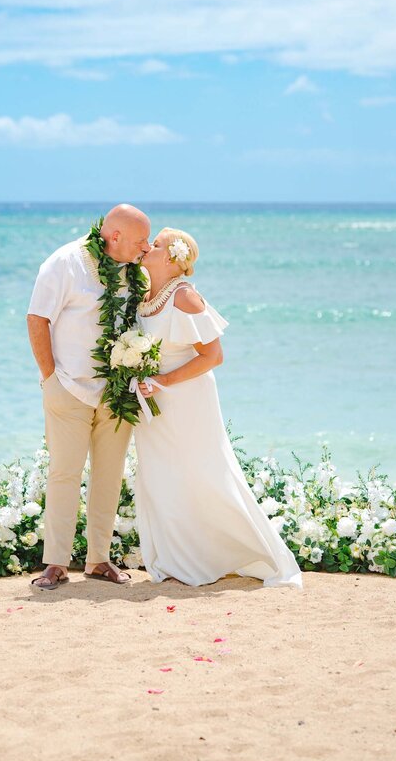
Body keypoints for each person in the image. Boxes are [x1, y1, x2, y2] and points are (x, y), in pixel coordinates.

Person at [133, 227, 303, 589]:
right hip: (152, 398)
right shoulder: (146, 292)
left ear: (170, 257)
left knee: (201, 472)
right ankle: (179, 559)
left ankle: (241, 551)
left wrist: (164, 381)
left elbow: (213, 356)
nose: (148, 246)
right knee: (162, 476)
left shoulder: (184, 298)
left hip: (185, 399)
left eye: (157, 244)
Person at [26, 204, 151, 590]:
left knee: (109, 476)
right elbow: (37, 318)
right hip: (69, 388)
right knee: (64, 473)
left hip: (117, 393)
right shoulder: (64, 263)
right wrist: (51, 379)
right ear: (113, 237)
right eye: (140, 240)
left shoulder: (137, 272)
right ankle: (56, 563)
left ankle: (99, 560)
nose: (145, 248)